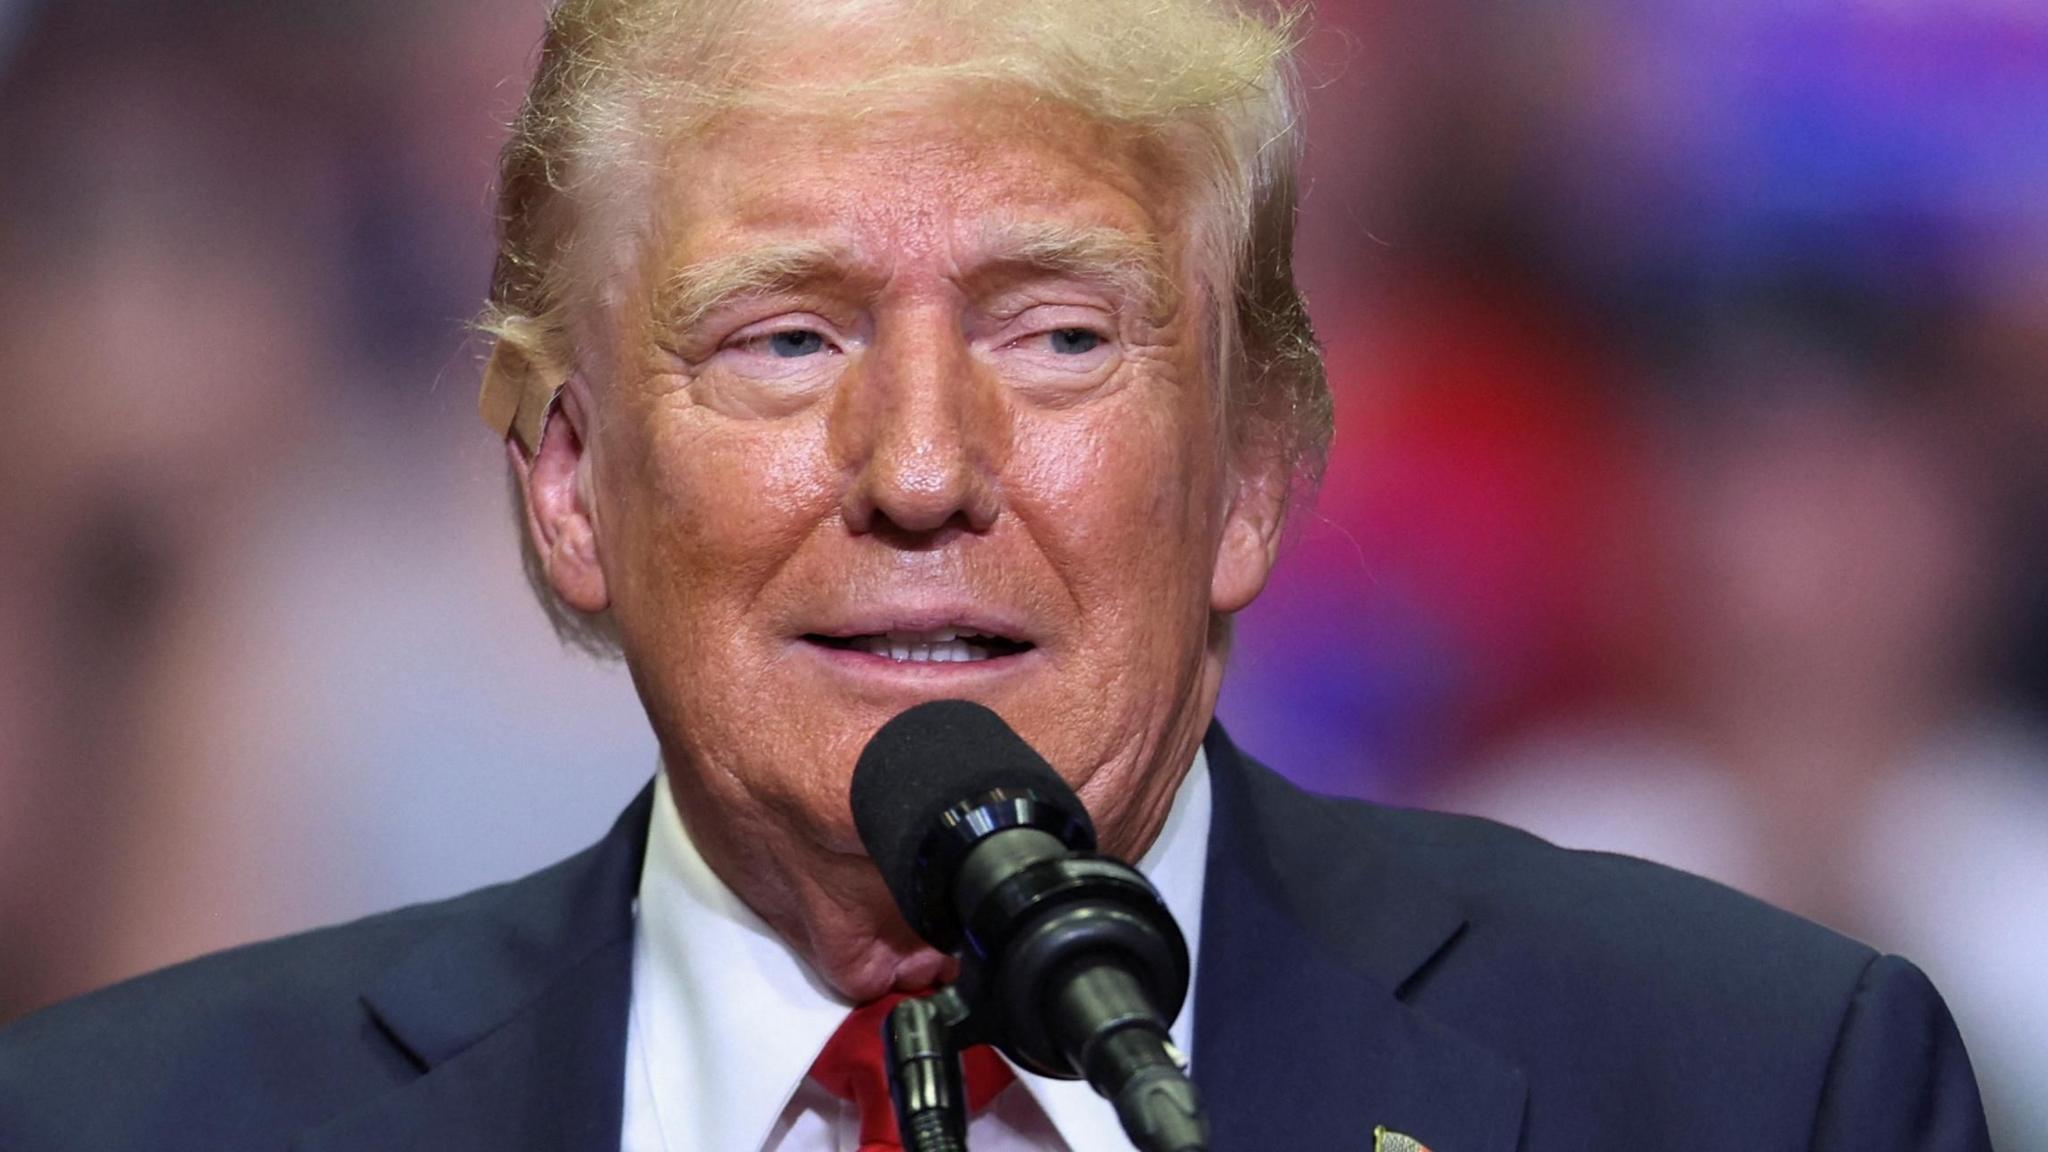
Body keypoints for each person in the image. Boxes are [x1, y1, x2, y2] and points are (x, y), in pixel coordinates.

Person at [0, 1, 1993, 1149]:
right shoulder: (131, 1131)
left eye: (1057, 335)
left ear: (1252, 474)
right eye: (783, 336)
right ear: (571, 489)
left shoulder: (1745, 1090)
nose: (924, 467)